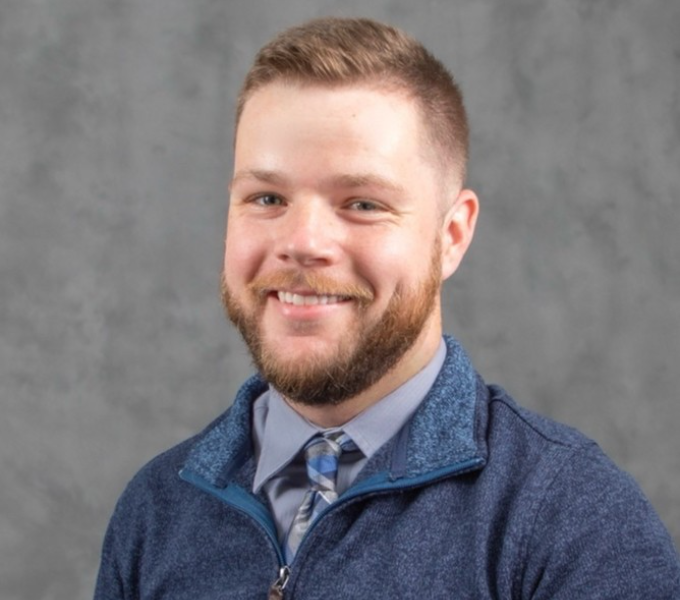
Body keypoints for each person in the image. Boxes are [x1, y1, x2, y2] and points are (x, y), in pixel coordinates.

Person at [94, 17, 680, 599]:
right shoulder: (156, 511)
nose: (303, 242)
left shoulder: (568, 515)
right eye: (266, 197)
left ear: (451, 235)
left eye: (363, 203)